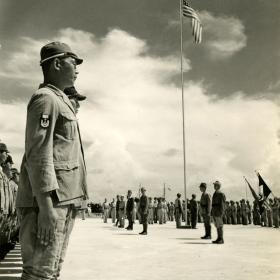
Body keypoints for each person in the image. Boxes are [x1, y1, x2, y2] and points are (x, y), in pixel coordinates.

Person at [16, 41, 88, 280]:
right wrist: (46, 207)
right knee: (39, 274)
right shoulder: (45, 99)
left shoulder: (60, 100)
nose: (77, 68)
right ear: (57, 63)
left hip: (60, 202)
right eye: (73, 63)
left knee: (51, 271)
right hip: (46, 205)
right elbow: (38, 155)